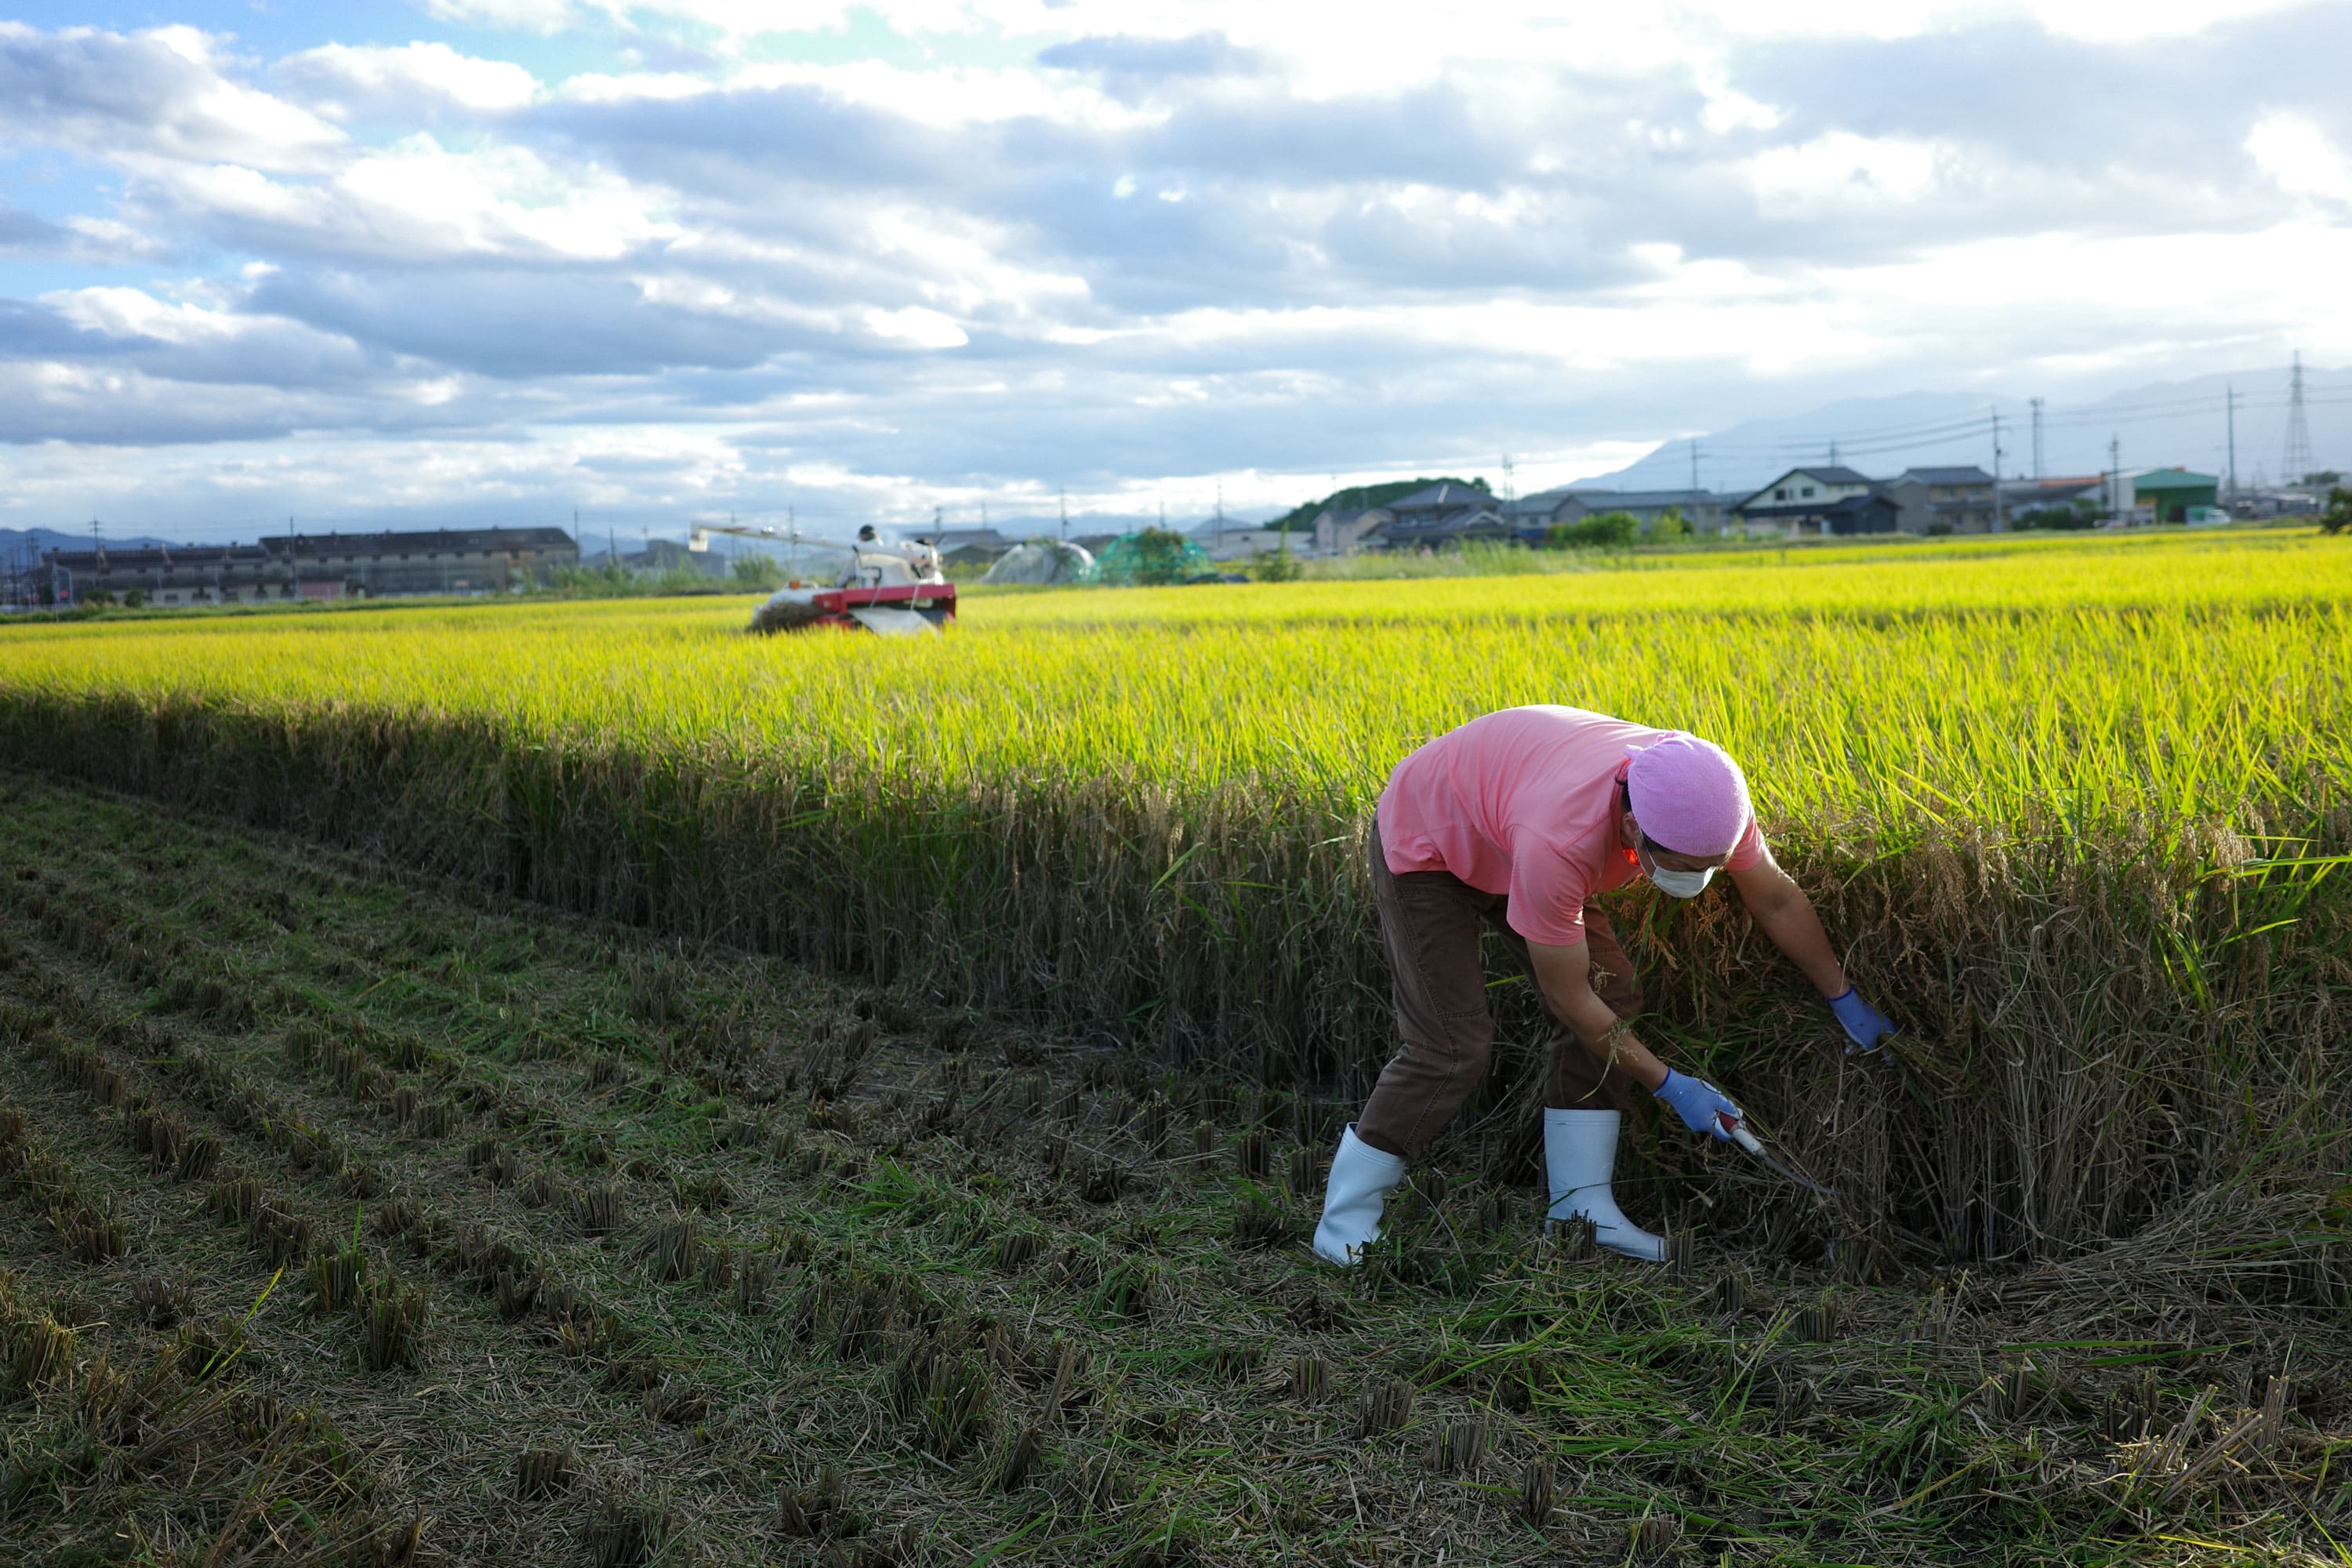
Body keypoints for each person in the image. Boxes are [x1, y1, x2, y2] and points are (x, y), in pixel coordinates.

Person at [1312, 706, 1893, 1265]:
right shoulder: (1561, 842)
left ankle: (1580, 1210)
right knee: (1452, 1046)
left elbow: (1775, 896)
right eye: (1684, 867)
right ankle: (1344, 1224)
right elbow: (1569, 998)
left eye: (1710, 866)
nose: (1699, 879)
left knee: (1612, 993)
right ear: (1635, 828)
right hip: (1432, 839)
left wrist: (1842, 996)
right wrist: (1670, 1084)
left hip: (1512, 809)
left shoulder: (1708, 800)